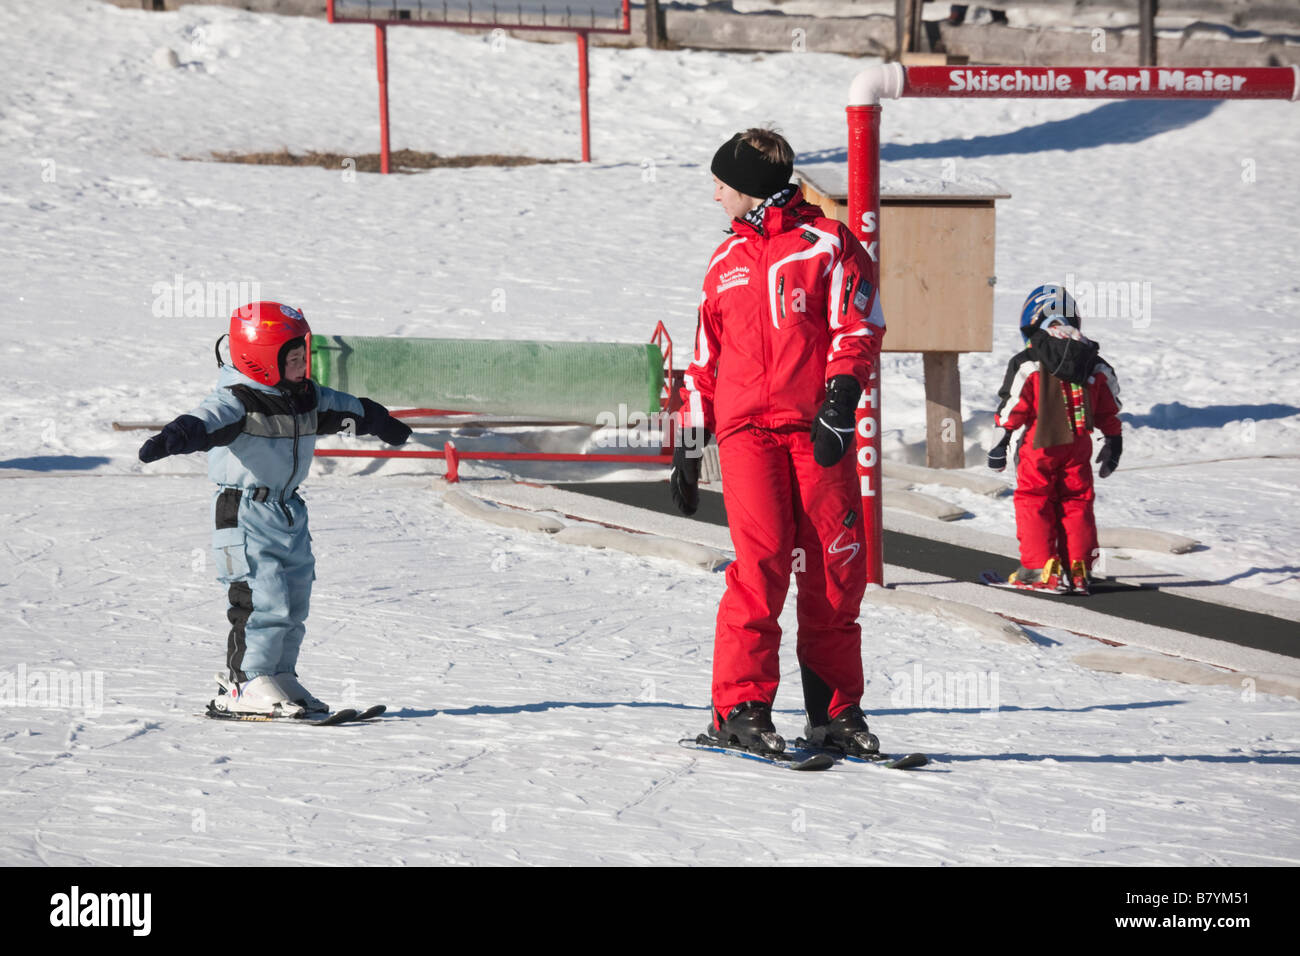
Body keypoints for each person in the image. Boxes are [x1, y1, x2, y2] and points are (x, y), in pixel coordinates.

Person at [671, 128, 885, 756]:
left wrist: (841, 400)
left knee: (833, 573)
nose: (714, 197)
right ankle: (739, 709)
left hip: (817, 429)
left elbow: (858, 324)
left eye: (721, 185)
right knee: (760, 570)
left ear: (749, 187)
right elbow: (705, 361)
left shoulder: (829, 244)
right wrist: (689, 441)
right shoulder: (724, 263)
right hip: (746, 437)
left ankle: (836, 716)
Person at [138, 301, 412, 718]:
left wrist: (379, 419)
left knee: (293, 598)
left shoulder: (305, 397)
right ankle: (245, 682)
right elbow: (205, 419)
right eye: (294, 358)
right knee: (259, 596)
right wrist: (177, 435)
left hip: (288, 511)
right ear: (263, 359)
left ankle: (279, 675)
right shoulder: (238, 402)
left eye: (305, 355)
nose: (304, 365)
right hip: (242, 512)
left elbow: (347, 407)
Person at [988, 284, 1123, 594]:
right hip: (1078, 445)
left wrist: (1001, 440)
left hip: (1041, 443)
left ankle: (1039, 570)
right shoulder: (1093, 361)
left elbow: (1013, 406)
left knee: (1034, 500)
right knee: (1077, 501)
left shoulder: (1029, 361)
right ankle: (1079, 568)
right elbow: (1110, 407)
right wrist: (1114, 441)